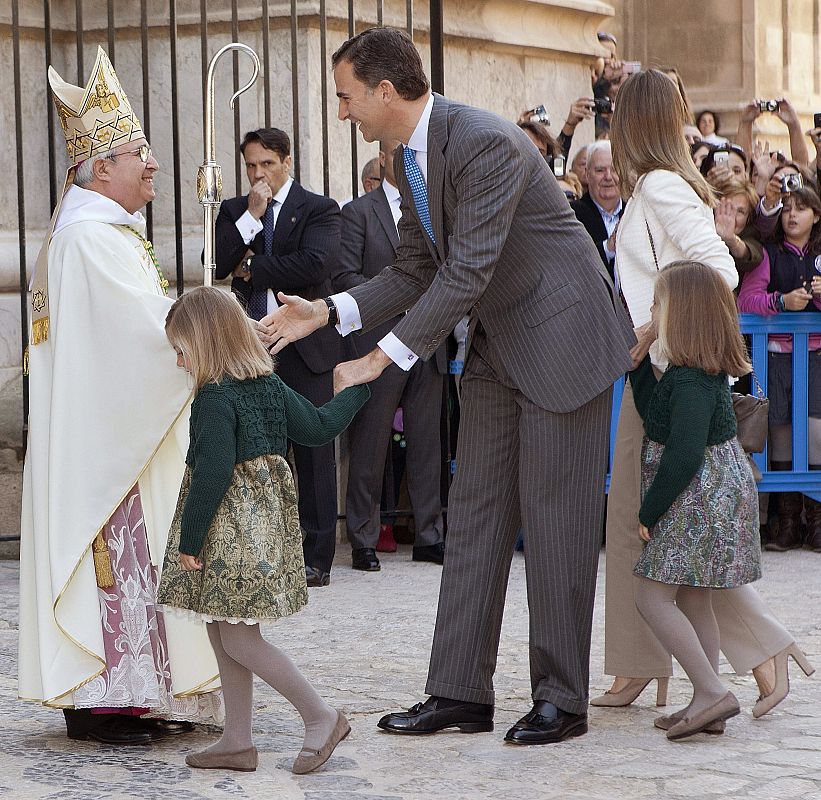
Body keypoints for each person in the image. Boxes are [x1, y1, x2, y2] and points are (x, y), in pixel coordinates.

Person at [262, 26, 635, 746]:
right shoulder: (407, 158)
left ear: (383, 90)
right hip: (499, 346)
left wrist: (381, 359)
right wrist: (329, 311)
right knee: (473, 519)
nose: (341, 113)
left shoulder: (485, 142)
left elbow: (464, 270)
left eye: (344, 98)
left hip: (562, 341)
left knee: (555, 526)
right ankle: (460, 692)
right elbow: (412, 270)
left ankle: (562, 699)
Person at [19, 47, 220, 745]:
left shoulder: (93, 234)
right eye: (140, 152)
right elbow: (143, 340)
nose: (155, 164)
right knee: (116, 560)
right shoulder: (92, 239)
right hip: (106, 441)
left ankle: (127, 695)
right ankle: (105, 703)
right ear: (101, 167)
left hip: (105, 431)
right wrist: (211, 328)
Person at [597, 68, 813, 719]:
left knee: (644, 527)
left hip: (666, 376)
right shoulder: (656, 188)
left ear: (631, 122)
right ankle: (679, 663)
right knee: (659, 532)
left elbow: (717, 267)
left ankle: (707, 661)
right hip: (656, 373)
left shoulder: (661, 187)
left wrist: (652, 326)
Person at [156, 287, 369, 773]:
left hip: (228, 528)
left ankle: (320, 715)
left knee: (238, 638)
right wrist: (354, 391)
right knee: (221, 625)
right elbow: (317, 427)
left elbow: (212, 472)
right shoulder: (267, 384)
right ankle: (236, 739)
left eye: (181, 351)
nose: (179, 363)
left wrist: (190, 542)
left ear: (205, 344)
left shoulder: (215, 397)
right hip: (263, 524)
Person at [632, 261, 763, 740]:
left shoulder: (691, 382)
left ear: (680, 316)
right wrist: (641, 358)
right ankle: (707, 701)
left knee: (651, 595)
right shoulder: (686, 373)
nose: (650, 313)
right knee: (693, 597)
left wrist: (649, 511)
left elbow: (684, 454)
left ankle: (712, 692)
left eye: (657, 306)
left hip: (697, 497)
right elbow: (653, 415)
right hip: (708, 495)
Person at [214, 128, 343, 588]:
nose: (258, 173)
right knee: (258, 453)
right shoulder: (234, 211)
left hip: (305, 350)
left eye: (266, 164)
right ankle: (267, 552)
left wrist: (252, 267)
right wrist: (252, 218)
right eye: (250, 165)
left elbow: (315, 264)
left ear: (286, 161)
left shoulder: (320, 209)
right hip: (252, 348)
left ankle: (316, 556)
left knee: (312, 453)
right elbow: (219, 260)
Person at [332, 139, 447, 570]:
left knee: (426, 445)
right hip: (378, 343)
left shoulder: (435, 211)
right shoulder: (358, 213)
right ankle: (362, 536)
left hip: (428, 342)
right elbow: (344, 276)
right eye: (402, 153)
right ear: (382, 158)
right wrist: (396, 299)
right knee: (370, 444)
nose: (412, 161)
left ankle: (429, 535)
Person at [737, 187, 821, 553]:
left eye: (802, 209)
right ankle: (786, 522)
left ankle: (816, 520)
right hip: (776, 356)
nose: (792, 215)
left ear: (816, 215)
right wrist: (780, 302)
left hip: (817, 356)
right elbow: (746, 299)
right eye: (786, 208)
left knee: (817, 430)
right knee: (781, 430)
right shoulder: (769, 254)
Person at [571, 140, 622, 279]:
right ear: (587, 174)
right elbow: (572, 264)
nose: (608, 177)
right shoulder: (572, 215)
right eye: (600, 170)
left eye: (614, 169)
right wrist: (608, 248)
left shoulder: (636, 211)